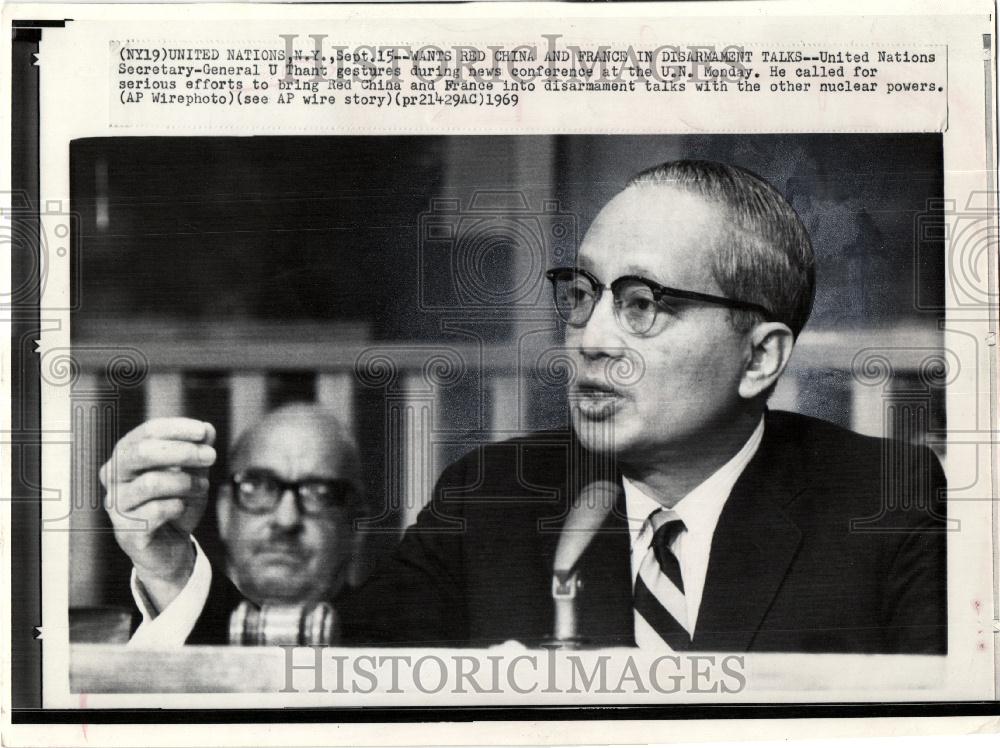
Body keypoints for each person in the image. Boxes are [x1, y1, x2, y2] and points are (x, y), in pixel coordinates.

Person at [105, 159, 947, 653]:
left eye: (643, 303)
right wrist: (172, 570)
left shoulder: (886, 502)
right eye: (582, 293)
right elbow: (322, 665)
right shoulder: (494, 498)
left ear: (760, 357)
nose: (591, 337)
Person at [101, 403, 365, 645]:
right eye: (258, 486)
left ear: (357, 525)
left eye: (318, 492)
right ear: (224, 512)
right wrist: (170, 578)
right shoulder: (114, 635)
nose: (286, 519)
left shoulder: (397, 642)